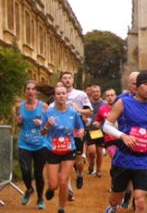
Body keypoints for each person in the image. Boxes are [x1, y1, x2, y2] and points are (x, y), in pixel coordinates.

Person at [102, 71, 147, 213]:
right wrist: (123, 136)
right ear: (137, 86)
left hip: (144, 160)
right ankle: (113, 206)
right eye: (146, 84)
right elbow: (107, 126)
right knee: (116, 198)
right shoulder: (123, 102)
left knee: (140, 199)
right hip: (123, 159)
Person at [41, 84, 85, 213]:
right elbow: (42, 132)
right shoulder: (49, 112)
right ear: (54, 96)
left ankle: (61, 208)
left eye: (63, 93)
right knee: (54, 184)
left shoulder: (73, 112)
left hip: (68, 149)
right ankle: (50, 189)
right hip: (52, 150)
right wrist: (48, 125)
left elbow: (80, 126)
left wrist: (81, 131)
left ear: (67, 96)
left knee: (63, 181)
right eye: (58, 94)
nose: (61, 96)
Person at [50, 72, 93, 193]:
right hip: (61, 133)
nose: (67, 80)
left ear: (73, 80)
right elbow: (49, 110)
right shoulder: (57, 97)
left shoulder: (80, 94)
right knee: (63, 160)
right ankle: (68, 188)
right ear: (61, 80)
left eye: (69, 78)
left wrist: (78, 110)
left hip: (76, 128)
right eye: (65, 78)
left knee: (78, 160)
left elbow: (89, 112)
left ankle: (80, 174)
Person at [16, 81, 49, 209]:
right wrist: (18, 122)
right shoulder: (19, 106)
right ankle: (29, 189)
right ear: (25, 91)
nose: (30, 91)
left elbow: (49, 126)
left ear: (36, 92)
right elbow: (18, 124)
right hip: (24, 143)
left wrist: (41, 123)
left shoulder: (44, 106)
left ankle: (40, 199)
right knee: (25, 171)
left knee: (38, 173)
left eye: (32, 89)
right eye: (28, 89)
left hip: (41, 144)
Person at [86, 84, 108, 177]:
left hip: (100, 130)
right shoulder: (87, 104)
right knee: (91, 151)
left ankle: (98, 170)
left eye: (97, 92)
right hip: (90, 130)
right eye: (93, 92)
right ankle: (91, 162)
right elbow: (82, 114)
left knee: (99, 151)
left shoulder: (104, 104)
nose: (95, 94)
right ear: (90, 93)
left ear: (100, 92)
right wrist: (85, 119)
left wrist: (101, 122)